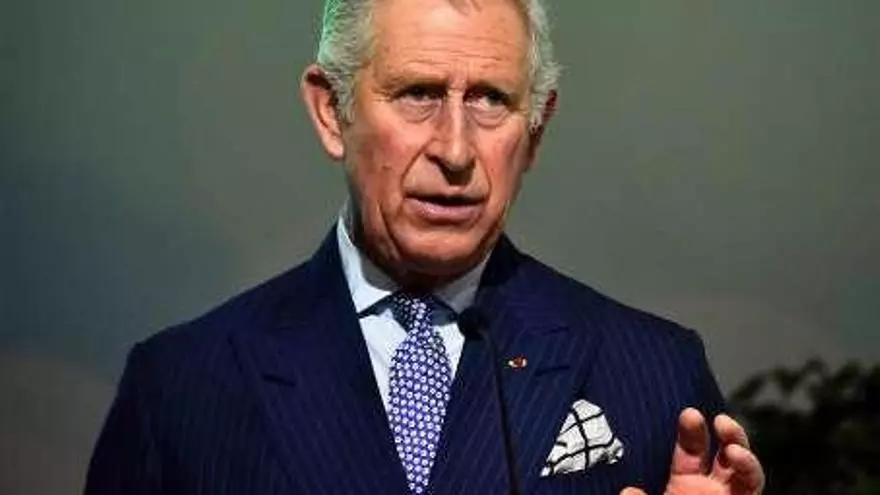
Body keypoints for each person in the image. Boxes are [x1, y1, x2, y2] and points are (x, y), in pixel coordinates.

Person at [86, 0, 765, 493]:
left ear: (535, 129)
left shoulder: (656, 375)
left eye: (491, 100)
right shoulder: (181, 390)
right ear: (332, 111)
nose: (456, 150)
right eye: (417, 94)